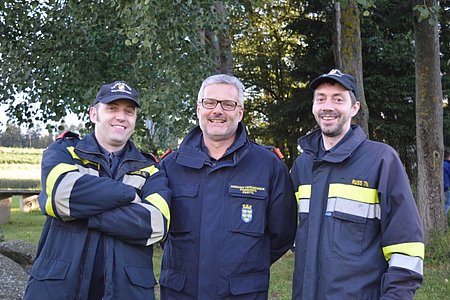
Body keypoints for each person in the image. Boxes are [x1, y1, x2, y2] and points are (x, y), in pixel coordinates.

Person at [24, 81, 171, 300]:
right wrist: (128, 194)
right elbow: (60, 195)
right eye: (112, 108)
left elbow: (156, 224)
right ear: (94, 114)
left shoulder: (150, 169)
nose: (121, 117)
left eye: (128, 111)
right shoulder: (65, 151)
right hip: (58, 289)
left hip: (126, 292)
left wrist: (83, 211)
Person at [158, 74, 297, 299]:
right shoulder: (170, 165)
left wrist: (243, 269)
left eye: (228, 104)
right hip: (181, 292)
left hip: (241, 294)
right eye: (210, 102)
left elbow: (282, 234)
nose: (217, 111)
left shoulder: (268, 165)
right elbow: (161, 230)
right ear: (198, 109)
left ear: (240, 112)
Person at [290, 69, 424, 299]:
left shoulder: (382, 160)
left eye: (338, 99)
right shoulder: (302, 166)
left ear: (355, 108)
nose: (328, 106)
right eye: (320, 99)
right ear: (313, 107)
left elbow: (406, 245)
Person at [444, 148, 450, 216]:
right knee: (447, 203)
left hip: (440, 187)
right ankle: (442, 218)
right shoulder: (448, 165)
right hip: (446, 188)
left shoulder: (441, 164)